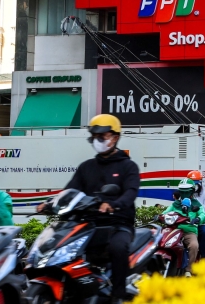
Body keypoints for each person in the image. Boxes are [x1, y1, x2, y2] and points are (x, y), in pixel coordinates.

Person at [39, 114, 139, 303]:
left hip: (118, 224)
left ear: (115, 137)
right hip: (88, 223)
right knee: (61, 247)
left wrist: (113, 205)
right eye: (95, 136)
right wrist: (49, 203)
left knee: (118, 248)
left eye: (102, 136)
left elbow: (131, 193)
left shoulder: (128, 166)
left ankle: (117, 295)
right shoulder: (86, 167)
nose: (98, 140)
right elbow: (70, 190)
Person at [165, 179, 205, 275]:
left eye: (187, 191)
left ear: (192, 191)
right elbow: (165, 213)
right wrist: (160, 216)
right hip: (174, 230)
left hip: (189, 231)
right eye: (182, 191)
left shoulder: (197, 204)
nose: (184, 194)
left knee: (194, 245)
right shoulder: (175, 204)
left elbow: (203, 215)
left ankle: (188, 270)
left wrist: (198, 219)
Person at [186, 170, 205, 259]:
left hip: (200, 223)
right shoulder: (185, 194)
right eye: (192, 183)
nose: (194, 186)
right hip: (187, 223)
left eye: (196, 183)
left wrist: (197, 208)